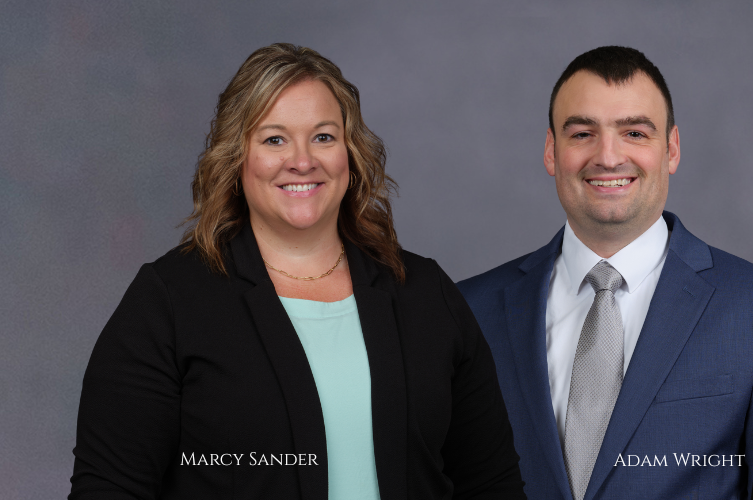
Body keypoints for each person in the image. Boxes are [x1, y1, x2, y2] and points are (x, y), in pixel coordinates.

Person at [70, 43, 525, 499]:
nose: (302, 160)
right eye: (274, 139)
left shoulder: (425, 294)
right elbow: (109, 490)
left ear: (351, 153)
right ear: (236, 158)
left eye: (323, 137)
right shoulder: (169, 302)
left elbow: (492, 485)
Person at [456, 46, 753, 500]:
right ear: (551, 151)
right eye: (582, 133)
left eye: (635, 132)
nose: (607, 156)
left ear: (671, 149)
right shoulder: (469, 310)